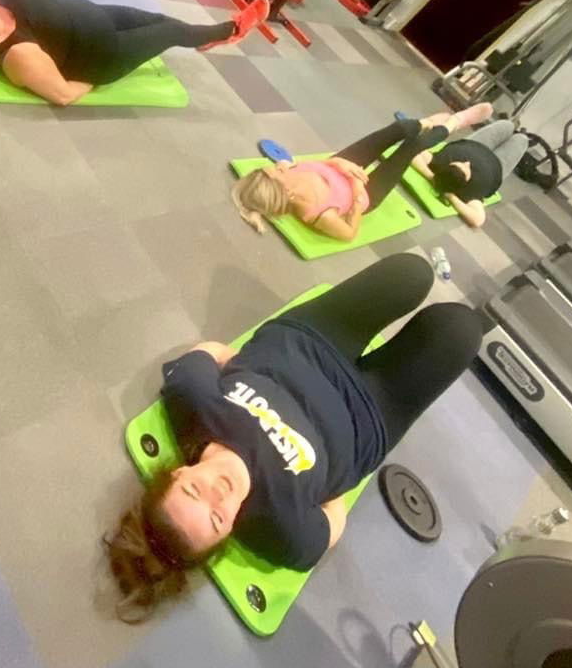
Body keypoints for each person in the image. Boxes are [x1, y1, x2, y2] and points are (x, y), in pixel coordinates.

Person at [104, 253, 483, 620]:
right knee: (461, 330)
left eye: (193, 492)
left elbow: (211, 352)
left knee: (412, 273)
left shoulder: (193, 407)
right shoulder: (280, 532)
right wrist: (335, 473)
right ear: (229, 532)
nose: (217, 494)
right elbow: (334, 520)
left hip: (312, 339)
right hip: (370, 415)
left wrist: (254, 364)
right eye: (217, 519)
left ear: (177, 473)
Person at [0, 0, 270, 105]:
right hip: (105, 54)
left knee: (157, 18)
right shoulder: (18, 54)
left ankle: (200, 39)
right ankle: (229, 31)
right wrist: (94, 77)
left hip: (96, 16)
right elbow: (63, 95)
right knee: (172, 31)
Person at [231, 103, 512, 239]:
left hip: (339, 167)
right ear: (284, 190)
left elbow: (312, 165)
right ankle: (454, 123)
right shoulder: (317, 214)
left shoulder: (288, 173)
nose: (278, 166)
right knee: (411, 148)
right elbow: (349, 233)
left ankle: (426, 121)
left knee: (399, 129)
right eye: (275, 171)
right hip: (365, 191)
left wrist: (339, 164)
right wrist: (356, 192)